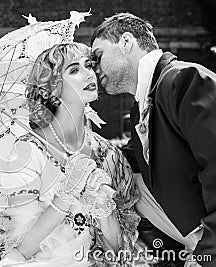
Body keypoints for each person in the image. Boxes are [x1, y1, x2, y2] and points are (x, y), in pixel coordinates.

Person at [0, 43, 142, 267]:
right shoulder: (26, 153)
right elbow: (18, 251)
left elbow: (120, 251)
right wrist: (66, 196)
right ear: (52, 88)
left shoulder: (109, 155)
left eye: (88, 65)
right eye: (74, 70)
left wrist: (103, 207)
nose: (89, 73)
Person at [91, 13, 216, 267]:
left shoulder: (186, 80)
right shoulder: (141, 107)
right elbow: (129, 168)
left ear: (125, 42)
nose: (94, 67)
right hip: (190, 243)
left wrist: (209, 253)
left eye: (98, 56)